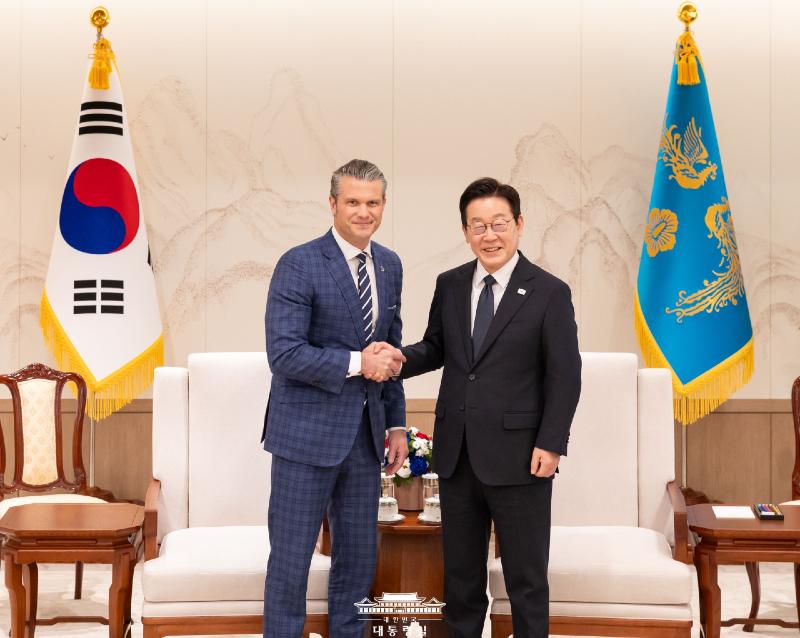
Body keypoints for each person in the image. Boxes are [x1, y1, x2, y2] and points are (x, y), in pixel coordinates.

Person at [392, 177, 581, 637]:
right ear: (465, 231)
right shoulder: (451, 284)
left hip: (522, 458)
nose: (489, 234)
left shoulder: (548, 291)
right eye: (478, 225)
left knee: (526, 580)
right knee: (460, 579)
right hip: (458, 456)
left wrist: (551, 443)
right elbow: (437, 348)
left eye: (498, 223)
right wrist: (394, 359)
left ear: (518, 224)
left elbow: (565, 374)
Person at [262, 159, 408, 638]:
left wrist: (397, 425)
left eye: (372, 202)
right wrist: (355, 362)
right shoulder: (299, 263)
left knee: (357, 564)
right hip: (304, 438)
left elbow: (390, 353)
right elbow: (284, 354)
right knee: (290, 562)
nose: (363, 212)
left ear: (383, 205)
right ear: (332, 204)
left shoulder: (389, 265)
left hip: (365, 441)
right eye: (352, 202)